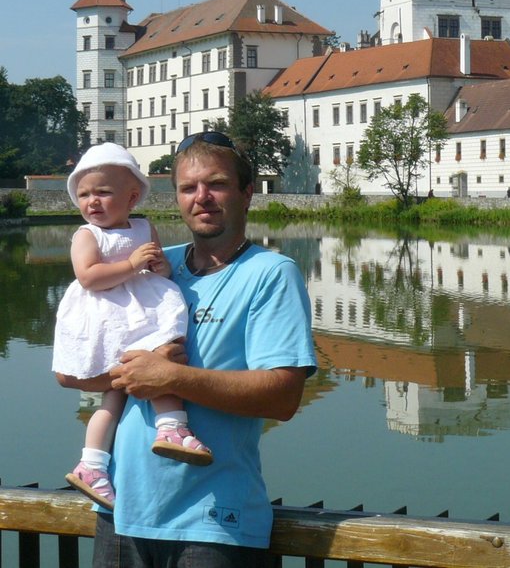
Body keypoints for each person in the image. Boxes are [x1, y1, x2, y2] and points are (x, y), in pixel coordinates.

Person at [57, 131, 317, 567]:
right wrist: (131, 374)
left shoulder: (272, 274)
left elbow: (283, 397)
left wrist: (171, 378)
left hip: (214, 520)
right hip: (121, 509)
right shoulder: (151, 264)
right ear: (174, 197)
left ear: (247, 193)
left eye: (215, 184)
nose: (202, 197)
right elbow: (70, 373)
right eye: (187, 187)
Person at [53, 143, 212, 511]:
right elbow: (89, 276)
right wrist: (131, 264)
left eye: (103, 192)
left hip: (142, 312)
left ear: (132, 196)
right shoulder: (86, 235)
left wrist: (158, 268)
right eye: (84, 194)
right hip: (106, 318)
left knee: (158, 364)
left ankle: (168, 425)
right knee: (115, 390)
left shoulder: (144, 226)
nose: (92, 201)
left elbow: (160, 267)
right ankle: (93, 461)